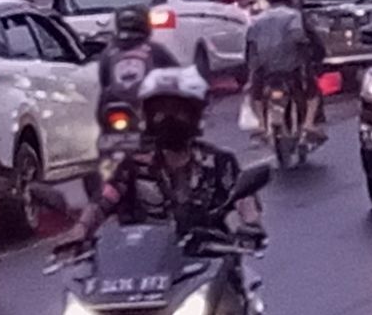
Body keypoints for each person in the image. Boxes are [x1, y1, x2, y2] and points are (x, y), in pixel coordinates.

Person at [63, 68, 263, 245]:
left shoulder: (219, 162)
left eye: (178, 111)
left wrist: (252, 225)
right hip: (144, 266)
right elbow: (105, 198)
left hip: (209, 263)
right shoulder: (131, 166)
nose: (168, 118)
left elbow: (244, 198)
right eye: (159, 111)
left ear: (194, 114)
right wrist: (81, 229)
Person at [246, 0, 327, 145]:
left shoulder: (257, 20)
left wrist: (251, 68)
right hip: (291, 66)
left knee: (255, 91)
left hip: (266, 68)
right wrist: (314, 55)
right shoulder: (293, 15)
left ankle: (261, 124)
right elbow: (300, 37)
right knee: (313, 91)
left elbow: (250, 46)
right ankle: (309, 124)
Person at [97, 5, 179, 119]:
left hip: (115, 110)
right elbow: (177, 73)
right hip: (151, 109)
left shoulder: (108, 53)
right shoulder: (155, 49)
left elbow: (104, 82)